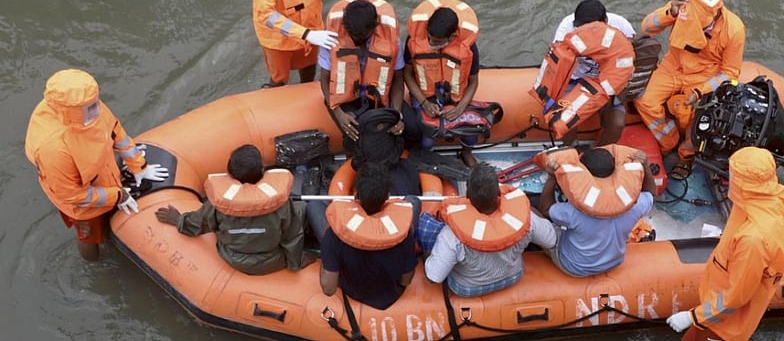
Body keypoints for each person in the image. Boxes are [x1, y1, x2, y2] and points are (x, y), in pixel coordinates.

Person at [24, 69, 170, 261]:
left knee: (108, 215)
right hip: (82, 205)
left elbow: (116, 133)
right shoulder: (54, 149)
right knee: (88, 236)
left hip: (102, 174)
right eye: (91, 107)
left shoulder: (90, 107)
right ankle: (93, 263)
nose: (98, 108)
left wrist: (139, 166)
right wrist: (118, 195)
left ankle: (113, 230)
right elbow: (73, 195)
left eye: (96, 102)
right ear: (71, 111)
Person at [666, 146, 784, 340]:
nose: (728, 179)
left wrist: (693, 316)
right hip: (714, 307)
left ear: (746, 184)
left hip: (723, 327)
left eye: (734, 175)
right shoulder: (773, 198)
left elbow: (735, 297)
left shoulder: (753, 240)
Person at [633, 0, 745, 180]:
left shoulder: (734, 29)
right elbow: (647, 27)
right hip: (672, 67)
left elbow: (729, 72)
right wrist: (670, 12)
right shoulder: (681, 9)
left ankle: (685, 156)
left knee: (696, 119)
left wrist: (701, 91)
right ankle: (668, 142)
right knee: (645, 101)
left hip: (704, 76)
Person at [154, 144, 311, 275]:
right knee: (302, 208)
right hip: (272, 260)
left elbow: (197, 223)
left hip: (233, 258)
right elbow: (293, 236)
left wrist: (177, 220)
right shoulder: (281, 205)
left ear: (229, 173)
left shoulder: (218, 205)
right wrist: (295, 263)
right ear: (262, 171)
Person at [424, 163, 556, 297]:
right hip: (513, 276)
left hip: (467, 287)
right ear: (498, 193)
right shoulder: (526, 220)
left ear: (467, 194)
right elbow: (551, 240)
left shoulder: (452, 234)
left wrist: (427, 255)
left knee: (425, 224)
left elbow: (434, 277)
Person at [307, 162, 421, 310]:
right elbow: (406, 281)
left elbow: (329, 289)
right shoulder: (403, 232)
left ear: (356, 195)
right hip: (391, 293)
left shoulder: (335, 234)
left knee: (313, 206)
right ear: (387, 196)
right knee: (413, 201)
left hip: (354, 291)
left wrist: (328, 254)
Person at [536, 145, 655, 277]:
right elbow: (650, 194)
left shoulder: (574, 211)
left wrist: (552, 177)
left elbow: (546, 209)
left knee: (533, 216)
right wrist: (645, 166)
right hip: (614, 261)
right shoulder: (635, 205)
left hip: (574, 265)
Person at [530, 0, 635, 146]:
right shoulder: (567, 26)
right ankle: (572, 149)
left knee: (617, 123)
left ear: (605, 21)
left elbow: (627, 56)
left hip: (606, 82)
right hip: (574, 80)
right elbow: (558, 56)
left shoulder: (621, 25)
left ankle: (600, 152)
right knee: (566, 121)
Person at [319, 0, 407, 156]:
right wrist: (339, 115)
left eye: (362, 38)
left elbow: (398, 79)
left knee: (411, 129)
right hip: (345, 98)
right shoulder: (331, 39)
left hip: (378, 96)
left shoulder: (391, 41)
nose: (357, 42)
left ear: (375, 28)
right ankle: (352, 156)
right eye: (353, 37)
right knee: (355, 138)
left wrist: (397, 114)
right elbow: (324, 79)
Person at [403, 0, 481, 167]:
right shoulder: (414, 40)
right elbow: (407, 75)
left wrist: (460, 108)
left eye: (436, 42)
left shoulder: (469, 47)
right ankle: (428, 157)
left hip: (455, 96)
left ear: (452, 36)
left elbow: (473, 81)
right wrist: (424, 103)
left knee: (470, 133)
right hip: (425, 95)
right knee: (426, 138)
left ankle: (466, 152)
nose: (431, 44)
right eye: (429, 38)